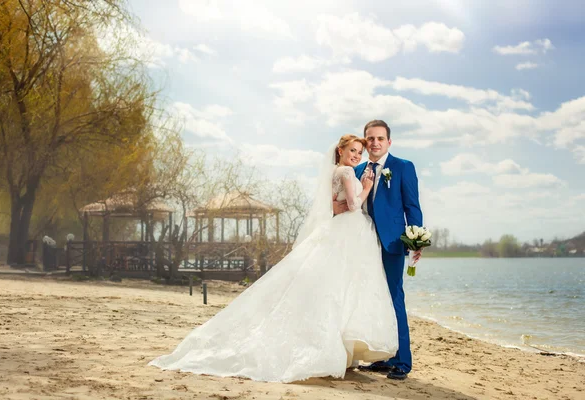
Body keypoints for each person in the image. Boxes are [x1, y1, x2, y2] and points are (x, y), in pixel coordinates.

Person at [149, 134, 399, 383]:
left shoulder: (339, 172)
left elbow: (333, 203)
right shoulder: (346, 173)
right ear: (340, 151)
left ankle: (342, 351)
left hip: (345, 233)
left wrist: (341, 203)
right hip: (346, 233)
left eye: (359, 152)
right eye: (352, 151)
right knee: (338, 289)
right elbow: (354, 205)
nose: (356, 156)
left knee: (338, 288)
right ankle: (334, 349)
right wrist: (366, 187)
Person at [334, 120, 423, 380]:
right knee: (370, 298)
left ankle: (402, 361)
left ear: (388, 142)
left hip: (392, 243)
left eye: (379, 138)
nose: (374, 143)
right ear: (365, 140)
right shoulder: (357, 168)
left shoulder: (403, 167)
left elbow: (412, 207)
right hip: (362, 243)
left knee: (394, 298)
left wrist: (416, 240)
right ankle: (382, 356)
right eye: (370, 138)